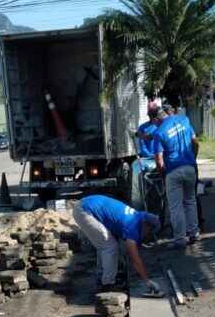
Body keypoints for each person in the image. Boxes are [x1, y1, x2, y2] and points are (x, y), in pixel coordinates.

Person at [73, 195, 161, 294]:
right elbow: (135, 259)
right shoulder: (132, 226)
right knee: (109, 247)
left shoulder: (137, 216)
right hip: (85, 210)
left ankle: (102, 277)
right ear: (146, 225)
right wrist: (147, 281)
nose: (148, 234)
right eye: (150, 231)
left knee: (104, 244)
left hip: (86, 205)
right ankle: (107, 285)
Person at [153, 108, 199, 248]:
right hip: (190, 167)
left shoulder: (159, 132)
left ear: (157, 119)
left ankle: (180, 239)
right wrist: (192, 159)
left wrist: (162, 174)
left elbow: (159, 160)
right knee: (190, 201)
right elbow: (195, 143)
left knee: (176, 206)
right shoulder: (184, 120)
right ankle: (194, 233)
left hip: (173, 171)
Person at [131, 107, 161, 209]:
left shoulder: (161, 126)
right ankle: (138, 204)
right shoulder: (143, 128)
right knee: (136, 168)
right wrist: (153, 156)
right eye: (151, 115)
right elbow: (143, 148)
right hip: (148, 159)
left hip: (159, 158)